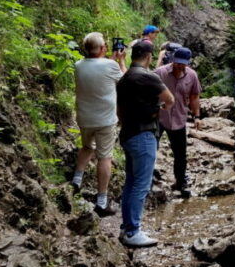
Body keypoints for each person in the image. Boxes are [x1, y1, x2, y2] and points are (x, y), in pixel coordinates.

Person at [116, 40, 173, 247]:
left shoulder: (124, 80)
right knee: (141, 185)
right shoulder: (149, 77)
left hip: (128, 134)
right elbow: (170, 100)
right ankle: (133, 231)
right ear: (149, 56)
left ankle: (126, 228)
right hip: (144, 135)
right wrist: (157, 107)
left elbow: (119, 112)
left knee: (131, 183)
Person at [72, 32, 126, 216]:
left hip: (85, 118)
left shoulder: (78, 66)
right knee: (104, 157)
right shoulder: (111, 66)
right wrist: (120, 60)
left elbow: (98, 68)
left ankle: (77, 179)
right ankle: (102, 200)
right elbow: (124, 80)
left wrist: (111, 59)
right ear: (103, 48)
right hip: (105, 121)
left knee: (87, 147)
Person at [155, 46, 201, 198]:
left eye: (183, 63)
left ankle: (180, 182)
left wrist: (196, 116)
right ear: (173, 59)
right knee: (150, 150)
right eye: (177, 62)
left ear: (188, 63)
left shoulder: (192, 76)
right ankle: (147, 180)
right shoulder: (160, 73)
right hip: (159, 117)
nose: (179, 66)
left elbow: (194, 97)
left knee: (180, 154)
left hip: (179, 119)